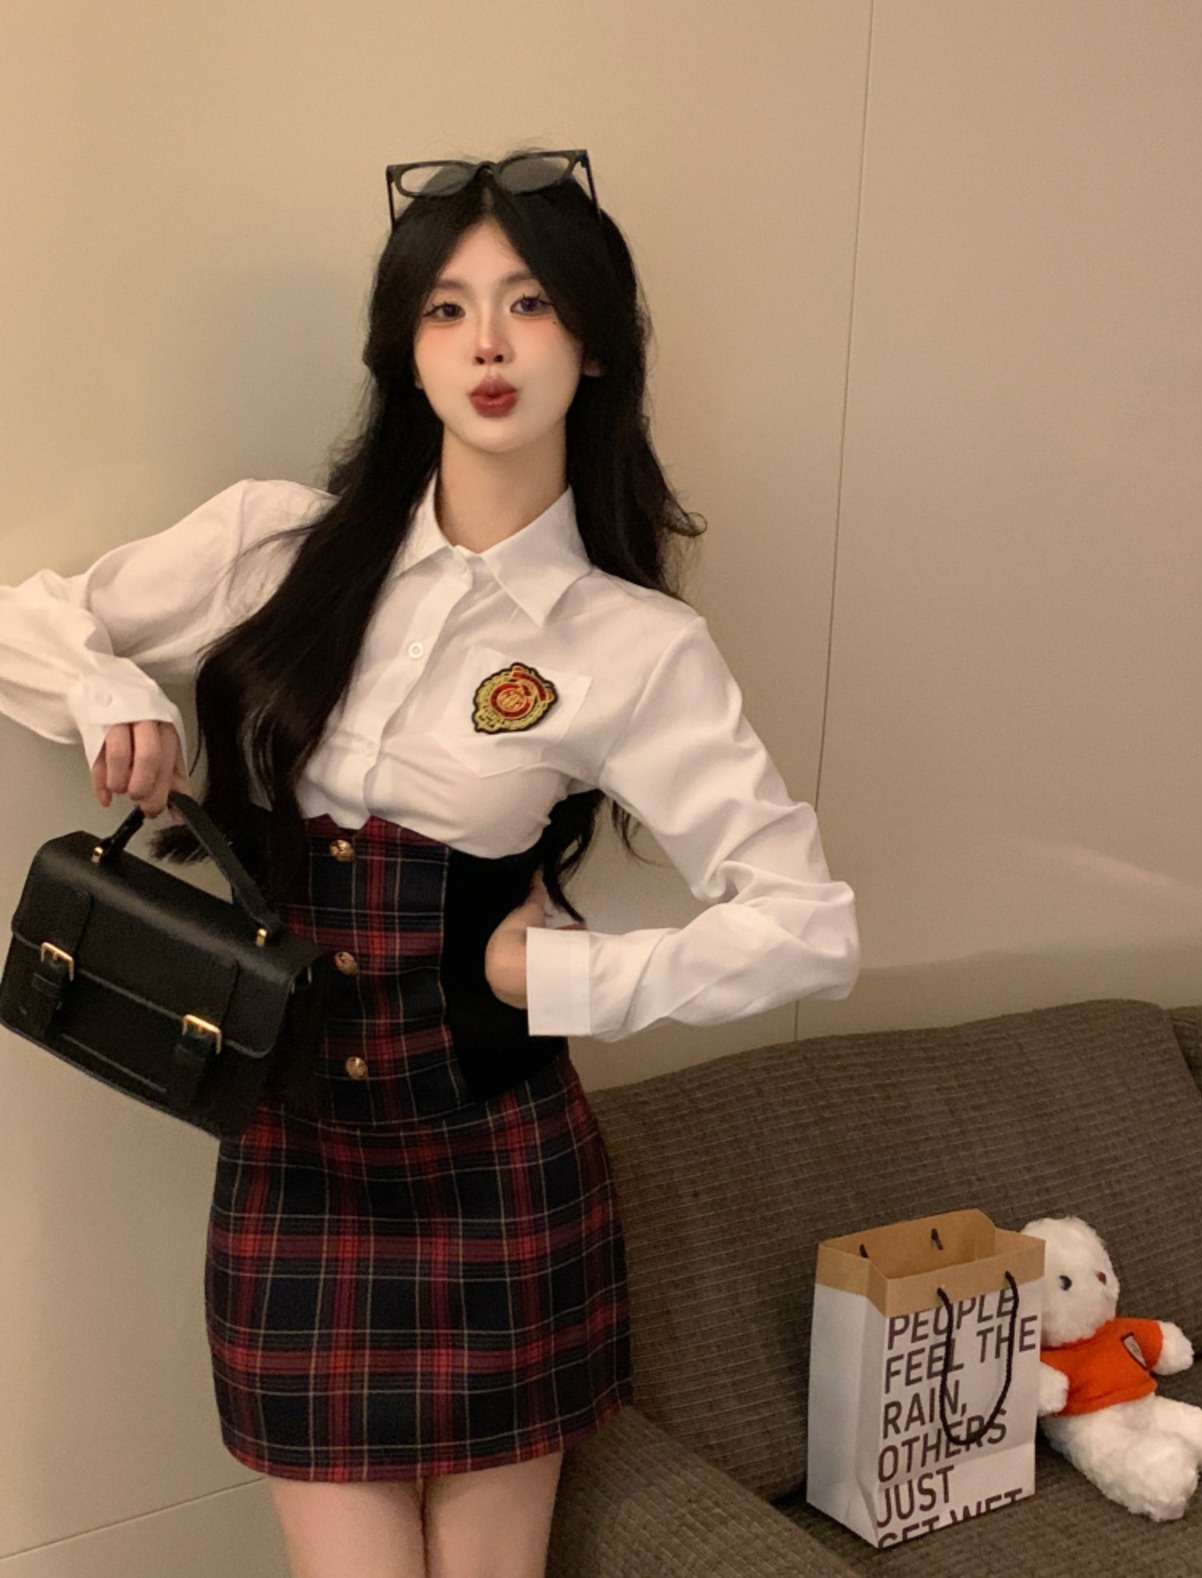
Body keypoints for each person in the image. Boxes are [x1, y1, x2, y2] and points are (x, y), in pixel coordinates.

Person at [0, 148, 860, 1578]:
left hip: (497, 1171)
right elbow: (26, 619)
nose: (488, 345)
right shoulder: (278, 543)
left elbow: (808, 927)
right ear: (407, 351)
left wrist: (565, 977)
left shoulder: (632, 645)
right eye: (449, 309)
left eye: (529, 304)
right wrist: (114, 695)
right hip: (292, 1159)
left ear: (594, 348)